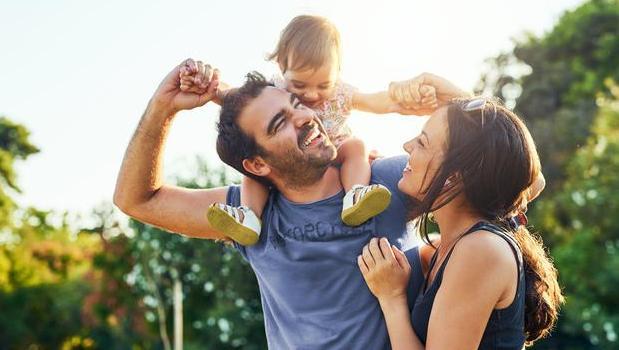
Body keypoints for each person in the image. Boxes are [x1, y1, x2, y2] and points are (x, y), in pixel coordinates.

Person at [114, 56, 456, 348]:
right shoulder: (247, 216)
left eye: (297, 106)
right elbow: (137, 199)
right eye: (281, 124)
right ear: (258, 165)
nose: (305, 118)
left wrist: (452, 97)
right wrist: (163, 107)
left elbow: (492, 163)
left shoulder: (388, 181)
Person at [178, 15, 437, 246]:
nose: (312, 94)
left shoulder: (340, 93)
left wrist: (402, 101)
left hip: (334, 153)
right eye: (300, 85)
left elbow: (374, 101)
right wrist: (206, 84)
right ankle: (249, 216)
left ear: (337, 73)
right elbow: (234, 97)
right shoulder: (275, 91)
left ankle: (355, 194)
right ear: (282, 66)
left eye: (323, 84)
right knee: (255, 172)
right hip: (294, 160)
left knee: (356, 146)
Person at [357, 89, 564, 349]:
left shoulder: (481, 250)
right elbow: (526, 178)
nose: (407, 146)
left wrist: (392, 299)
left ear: (454, 175)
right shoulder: (445, 250)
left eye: (422, 143)